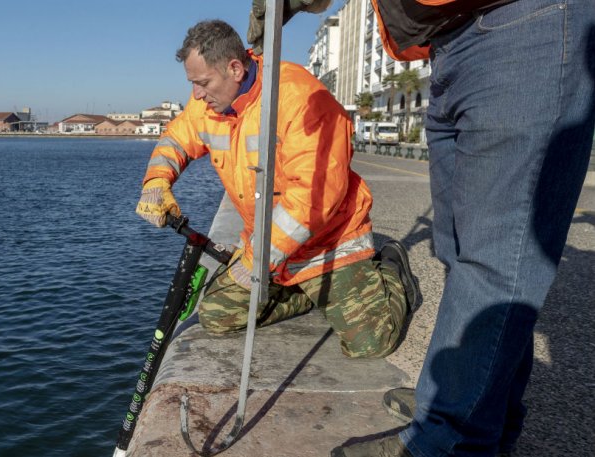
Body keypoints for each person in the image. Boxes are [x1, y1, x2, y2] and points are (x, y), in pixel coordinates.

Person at [248, 0, 595, 455]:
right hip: (447, 43)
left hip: (525, 24)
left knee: (495, 261)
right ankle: (465, 402)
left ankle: (444, 437)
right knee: (460, 254)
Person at [135, 19, 419, 360]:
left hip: (327, 241)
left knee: (370, 344)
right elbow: (176, 139)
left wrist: (256, 260)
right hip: (268, 247)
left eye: (203, 83)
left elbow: (314, 197)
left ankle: (389, 266)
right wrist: (156, 182)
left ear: (235, 68)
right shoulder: (208, 104)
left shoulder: (300, 98)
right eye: (193, 84)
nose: (196, 94)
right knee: (217, 315)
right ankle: (304, 289)